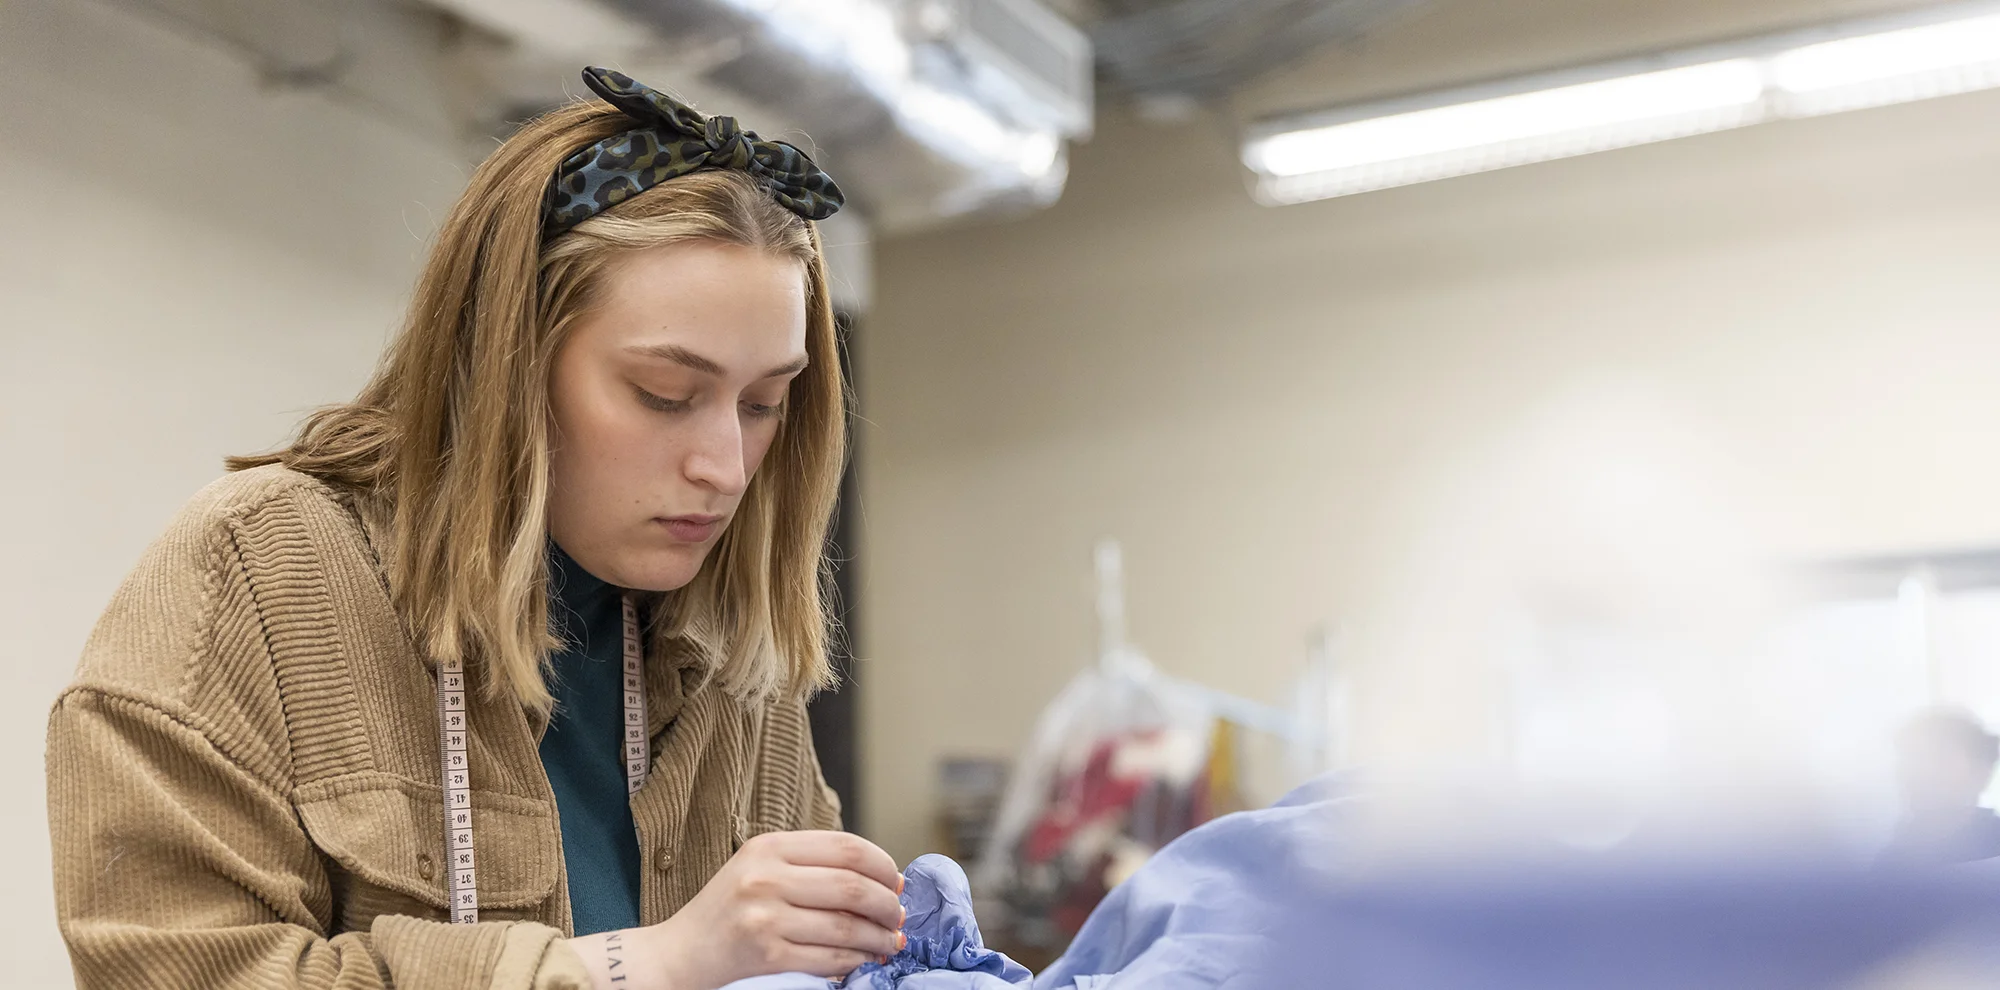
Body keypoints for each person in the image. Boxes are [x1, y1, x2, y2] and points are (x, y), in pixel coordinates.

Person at [46, 67, 908, 990]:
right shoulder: (251, 579)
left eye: (764, 403)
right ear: (507, 356)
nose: (725, 469)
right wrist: (641, 965)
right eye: (665, 395)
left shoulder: (726, 633)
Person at [1879, 706, 2000, 866]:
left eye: (1940, 759)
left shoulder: (1993, 846)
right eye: (1912, 757)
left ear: (1981, 772)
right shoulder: (1893, 859)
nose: (1923, 771)